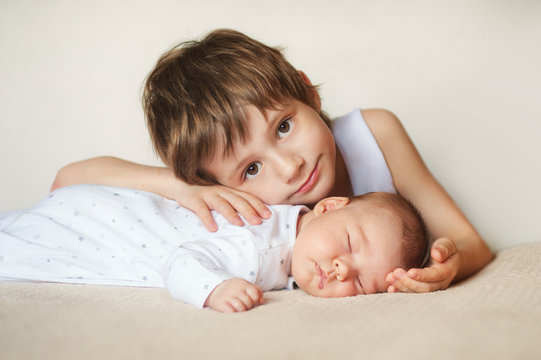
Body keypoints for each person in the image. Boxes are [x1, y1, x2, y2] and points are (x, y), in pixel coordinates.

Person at [51, 29, 493, 294]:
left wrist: (447, 264)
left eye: (283, 126)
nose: (290, 168)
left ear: (308, 93)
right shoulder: (231, 200)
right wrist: (184, 186)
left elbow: (467, 240)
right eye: (251, 169)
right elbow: (68, 179)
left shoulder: (375, 133)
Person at [0, 185, 427, 313]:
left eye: (360, 281)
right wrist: (214, 288)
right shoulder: (267, 248)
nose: (339, 269)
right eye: (350, 244)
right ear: (329, 206)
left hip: (92, 207)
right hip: (97, 226)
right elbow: (182, 261)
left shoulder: (284, 223)